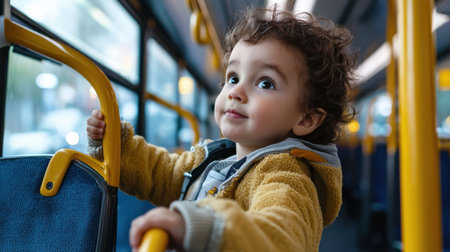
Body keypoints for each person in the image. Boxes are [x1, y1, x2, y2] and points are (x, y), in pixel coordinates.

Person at [87, 7, 356, 252]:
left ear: (306, 119)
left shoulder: (286, 177)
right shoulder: (216, 159)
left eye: (265, 83)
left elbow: (281, 235)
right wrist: (116, 146)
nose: (236, 91)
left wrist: (205, 228)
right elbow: (162, 173)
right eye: (233, 77)